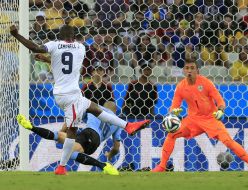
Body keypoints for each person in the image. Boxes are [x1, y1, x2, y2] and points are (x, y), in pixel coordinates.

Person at [10, 25, 150, 175]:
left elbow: (37, 49)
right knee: (72, 131)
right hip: (70, 96)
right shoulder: (80, 47)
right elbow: (69, 63)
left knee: (95, 108)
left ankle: (128, 126)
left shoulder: (54, 45)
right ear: (74, 37)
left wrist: (16, 35)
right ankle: (62, 167)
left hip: (66, 94)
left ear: (60, 36)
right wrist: (47, 59)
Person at [152, 59, 248, 172]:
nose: (189, 70)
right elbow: (174, 106)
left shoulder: (206, 83)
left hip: (211, 119)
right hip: (192, 120)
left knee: (228, 141)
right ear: (183, 71)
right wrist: (174, 112)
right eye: (187, 68)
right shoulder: (181, 87)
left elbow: (220, 101)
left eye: (192, 68)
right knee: (172, 134)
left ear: (197, 70)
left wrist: (220, 111)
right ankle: (162, 166)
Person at [16, 101, 121, 175]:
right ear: (115, 111)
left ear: (103, 106)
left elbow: (73, 118)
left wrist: (64, 129)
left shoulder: (95, 108)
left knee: (66, 147)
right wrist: (110, 155)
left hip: (88, 133)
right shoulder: (117, 121)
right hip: (94, 141)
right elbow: (116, 148)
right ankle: (32, 127)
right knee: (61, 139)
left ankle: (102, 165)